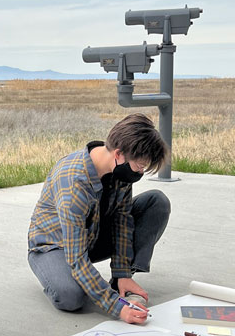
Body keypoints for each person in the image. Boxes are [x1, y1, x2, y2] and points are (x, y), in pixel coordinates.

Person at [28, 113, 171, 325]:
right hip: (55, 247)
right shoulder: (73, 183)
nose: (140, 172)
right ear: (119, 153)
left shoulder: (119, 170)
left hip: (91, 237)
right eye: (140, 166)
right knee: (71, 297)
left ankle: (121, 282)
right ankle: (58, 274)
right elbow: (76, 258)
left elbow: (123, 222)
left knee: (156, 202)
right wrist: (116, 307)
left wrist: (122, 272)